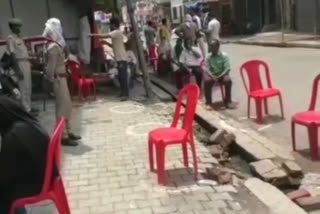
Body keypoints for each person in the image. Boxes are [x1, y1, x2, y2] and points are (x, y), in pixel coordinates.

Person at [0, 97, 51, 214]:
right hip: (43, 173)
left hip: (36, 182)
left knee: (3, 194)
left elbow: (4, 177)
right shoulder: (26, 123)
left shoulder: (13, 136)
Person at [42, 18, 81, 146]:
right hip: (58, 79)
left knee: (67, 106)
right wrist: (51, 81)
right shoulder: (53, 47)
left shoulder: (55, 45)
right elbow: (50, 68)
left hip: (62, 78)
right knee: (61, 109)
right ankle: (63, 136)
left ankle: (68, 131)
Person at [90, 17, 129, 101]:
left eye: (110, 24)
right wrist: (106, 43)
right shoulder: (117, 33)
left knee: (123, 77)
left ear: (113, 24)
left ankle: (125, 94)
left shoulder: (116, 32)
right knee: (120, 77)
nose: (110, 26)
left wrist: (93, 35)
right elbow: (113, 46)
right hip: (120, 58)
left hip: (122, 58)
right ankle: (123, 93)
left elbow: (105, 35)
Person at [6, 18, 38, 116]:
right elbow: (12, 55)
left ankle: (28, 106)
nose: (19, 28)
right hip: (19, 64)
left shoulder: (20, 38)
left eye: (19, 26)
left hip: (26, 63)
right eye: (17, 26)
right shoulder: (11, 38)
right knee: (23, 87)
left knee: (28, 86)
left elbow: (24, 52)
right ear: (12, 27)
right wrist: (17, 69)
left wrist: (32, 56)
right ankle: (26, 110)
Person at [204, 39, 236, 110]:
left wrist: (220, 76)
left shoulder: (224, 55)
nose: (211, 48)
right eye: (210, 46)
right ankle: (208, 103)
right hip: (213, 74)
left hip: (222, 73)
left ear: (217, 47)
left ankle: (228, 101)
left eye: (213, 46)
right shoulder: (208, 57)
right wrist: (212, 76)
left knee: (228, 81)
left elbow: (227, 68)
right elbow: (207, 68)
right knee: (206, 82)